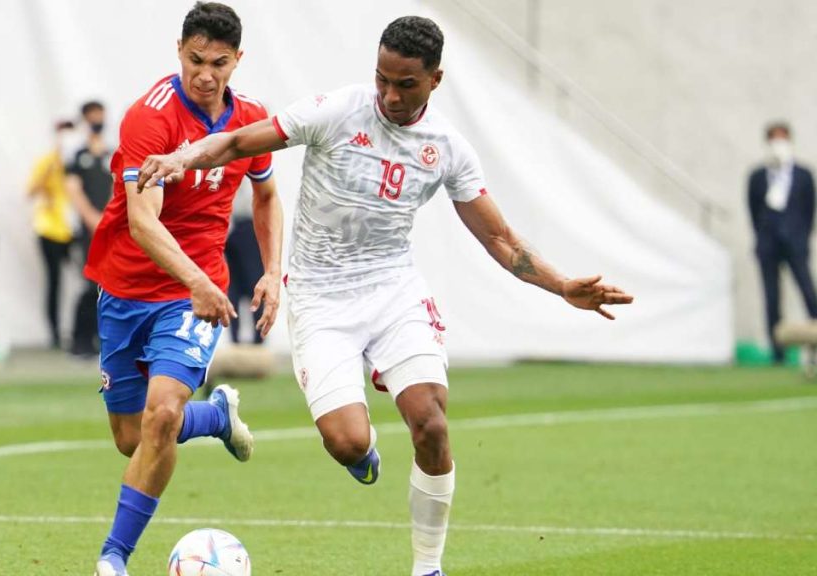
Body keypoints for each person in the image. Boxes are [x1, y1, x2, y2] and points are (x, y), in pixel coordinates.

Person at [138, 16, 634, 576]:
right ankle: (363, 448)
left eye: (406, 85)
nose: (389, 95)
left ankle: (428, 567)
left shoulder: (446, 148)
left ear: (435, 80)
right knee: (346, 443)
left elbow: (500, 238)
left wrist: (563, 284)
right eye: (382, 80)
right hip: (322, 300)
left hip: (392, 291)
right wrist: (182, 158)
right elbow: (236, 141)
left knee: (431, 421)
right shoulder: (337, 111)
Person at [84, 3, 283, 575]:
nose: (206, 74)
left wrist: (271, 271)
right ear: (179, 51)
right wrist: (197, 281)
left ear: (237, 60)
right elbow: (144, 222)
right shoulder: (149, 118)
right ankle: (217, 417)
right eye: (196, 60)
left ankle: (113, 559)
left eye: (219, 63)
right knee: (131, 437)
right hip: (127, 288)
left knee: (162, 416)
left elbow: (267, 196)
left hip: (192, 295)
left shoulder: (250, 121)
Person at [748, 121, 817, 364]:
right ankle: (778, 353)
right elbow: (754, 212)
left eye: (782, 138)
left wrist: (802, 237)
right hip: (768, 245)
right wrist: (761, 239)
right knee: (772, 298)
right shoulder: (757, 177)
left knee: (809, 292)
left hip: (796, 244)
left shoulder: (803, 175)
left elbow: (810, 210)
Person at [68, 100, 115, 358]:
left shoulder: (110, 154)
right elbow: (73, 189)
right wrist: (91, 218)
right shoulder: (77, 155)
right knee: (89, 285)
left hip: (108, 229)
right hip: (87, 232)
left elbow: (117, 187)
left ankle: (102, 339)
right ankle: (79, 341)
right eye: (94, 115)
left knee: (108, 285)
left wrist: (106, 218)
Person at [27, 119, 76, 349]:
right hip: (50, 228)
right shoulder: (47, 161)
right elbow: (31, 190)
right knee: (54, 282)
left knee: (89, 281)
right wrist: (52, 164)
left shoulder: (78, 161)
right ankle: (54, 333)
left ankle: (83, 331)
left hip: (74, 228)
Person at [225, 177, 265, 344]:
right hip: (230, 231)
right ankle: (235, 341)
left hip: (249, 228)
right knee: (233, 289)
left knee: (254, 285)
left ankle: (258, 340)